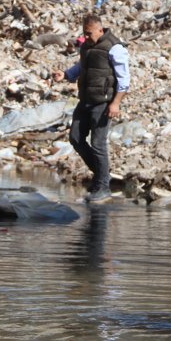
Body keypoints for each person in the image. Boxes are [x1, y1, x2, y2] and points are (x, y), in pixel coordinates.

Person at [53, 14, 130, 202]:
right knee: (75, 138)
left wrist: (116, 103)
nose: (86, 38)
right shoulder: (87, 46)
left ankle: (102, 186)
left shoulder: (115, 48)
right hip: (85, 99)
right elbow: (83, 66)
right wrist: (66, 74)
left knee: (98, 144)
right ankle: (102, 175)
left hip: (103, 102)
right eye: (84, 34)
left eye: (89, 34)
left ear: (100, 30)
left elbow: (124, 80)